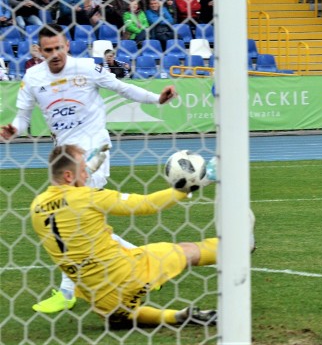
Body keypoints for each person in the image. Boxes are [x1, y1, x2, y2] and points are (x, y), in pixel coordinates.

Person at [0, 23, 178, 314]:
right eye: (48, 50)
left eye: (59, 47)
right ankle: (146, 262)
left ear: (67, 45)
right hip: (64, 155)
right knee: (81, 221)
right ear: (39, 51)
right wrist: (12, 130)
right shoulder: (32, 77)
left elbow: (122, 88)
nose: (55, 54)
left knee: (74, 215)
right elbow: (22, 118)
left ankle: (67, 291)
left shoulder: (86, 67)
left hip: (95, 148)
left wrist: (155, 98)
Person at [31, 144, 218, 327]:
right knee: (187, 251)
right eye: (83, 171)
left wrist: (84, 168)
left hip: (98, 295)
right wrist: (194, 184)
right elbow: (147, 204)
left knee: (124, 315)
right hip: (126, 273)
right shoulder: (90, 197)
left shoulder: (36, 206)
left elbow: (67, 198)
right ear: (68, 175)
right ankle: (238, 245)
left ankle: (175, 317)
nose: (87, 175)